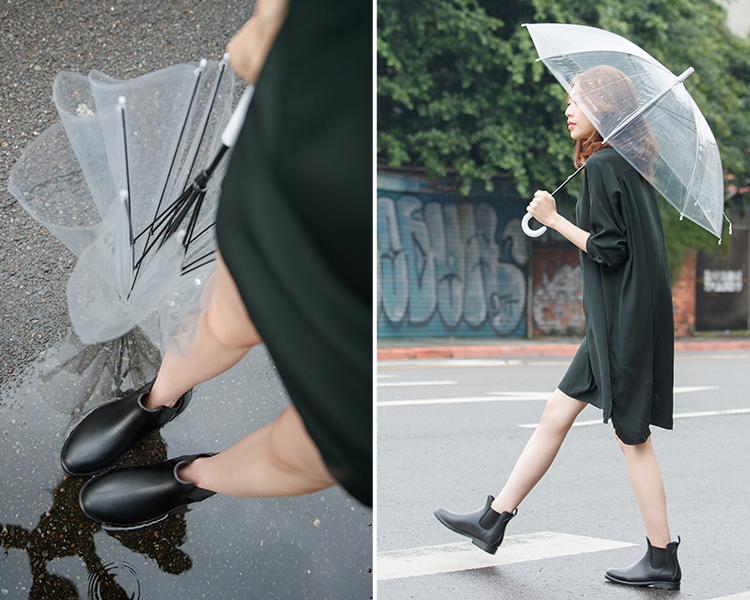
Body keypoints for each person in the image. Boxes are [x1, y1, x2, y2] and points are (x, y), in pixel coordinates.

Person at [59, 0, 373, 528]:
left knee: (313, 449)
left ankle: (193, 476)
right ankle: (158, 398)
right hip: (319, 145)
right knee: (228, 314)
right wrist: (277, 17)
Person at [434, 65, 681, 590]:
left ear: (605, 109)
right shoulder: (626, 163)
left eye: (577, 100)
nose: (567, 109)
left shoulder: (605, 168)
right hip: (621, 320)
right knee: (555, 414)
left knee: (630, 437)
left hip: (621, 323)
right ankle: (493, 519)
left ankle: (661, 557)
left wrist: (553, 218)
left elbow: (611, 250)